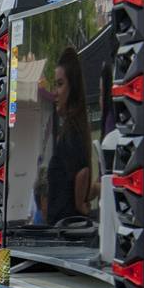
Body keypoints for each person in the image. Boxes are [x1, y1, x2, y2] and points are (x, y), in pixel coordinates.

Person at [45, 46, 93, 224]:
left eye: (60, 84)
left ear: (72, 88)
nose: (55, 92)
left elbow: (82, 173)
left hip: (65, 231)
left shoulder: (70, 133)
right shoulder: (76, 128)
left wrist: (80, 204)